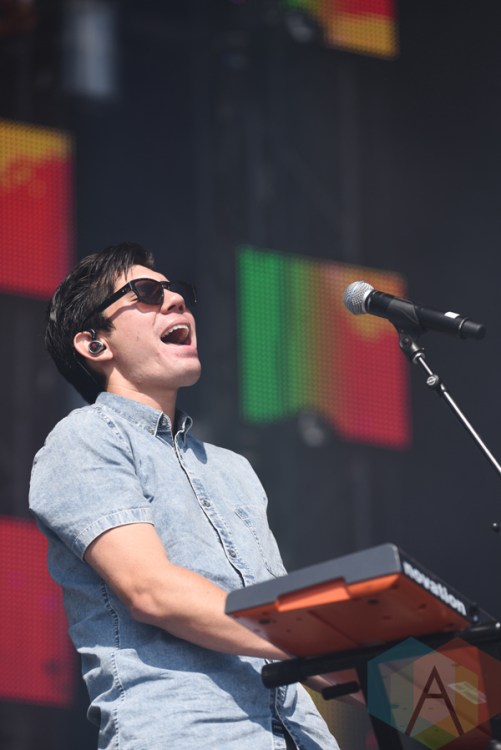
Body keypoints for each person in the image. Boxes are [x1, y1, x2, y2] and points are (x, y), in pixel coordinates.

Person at [29, 242, 341, 750]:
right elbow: (151, 590)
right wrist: (321, 643)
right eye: (146, 293)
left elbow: (288, 625)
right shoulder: (84, 438)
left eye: (176, 292)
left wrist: (444, 707)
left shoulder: (232, 469)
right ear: (94, 344)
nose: (175, 301)